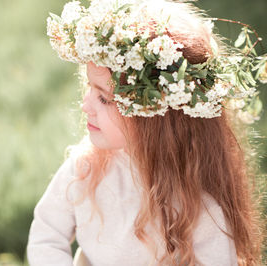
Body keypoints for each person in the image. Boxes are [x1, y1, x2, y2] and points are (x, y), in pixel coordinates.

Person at [27, 0, 267, 265]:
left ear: (153, 117)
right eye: (89, 87)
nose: (85, 105)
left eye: (104, 98)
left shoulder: (200, 209)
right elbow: (46, 234)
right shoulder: (86, 167)